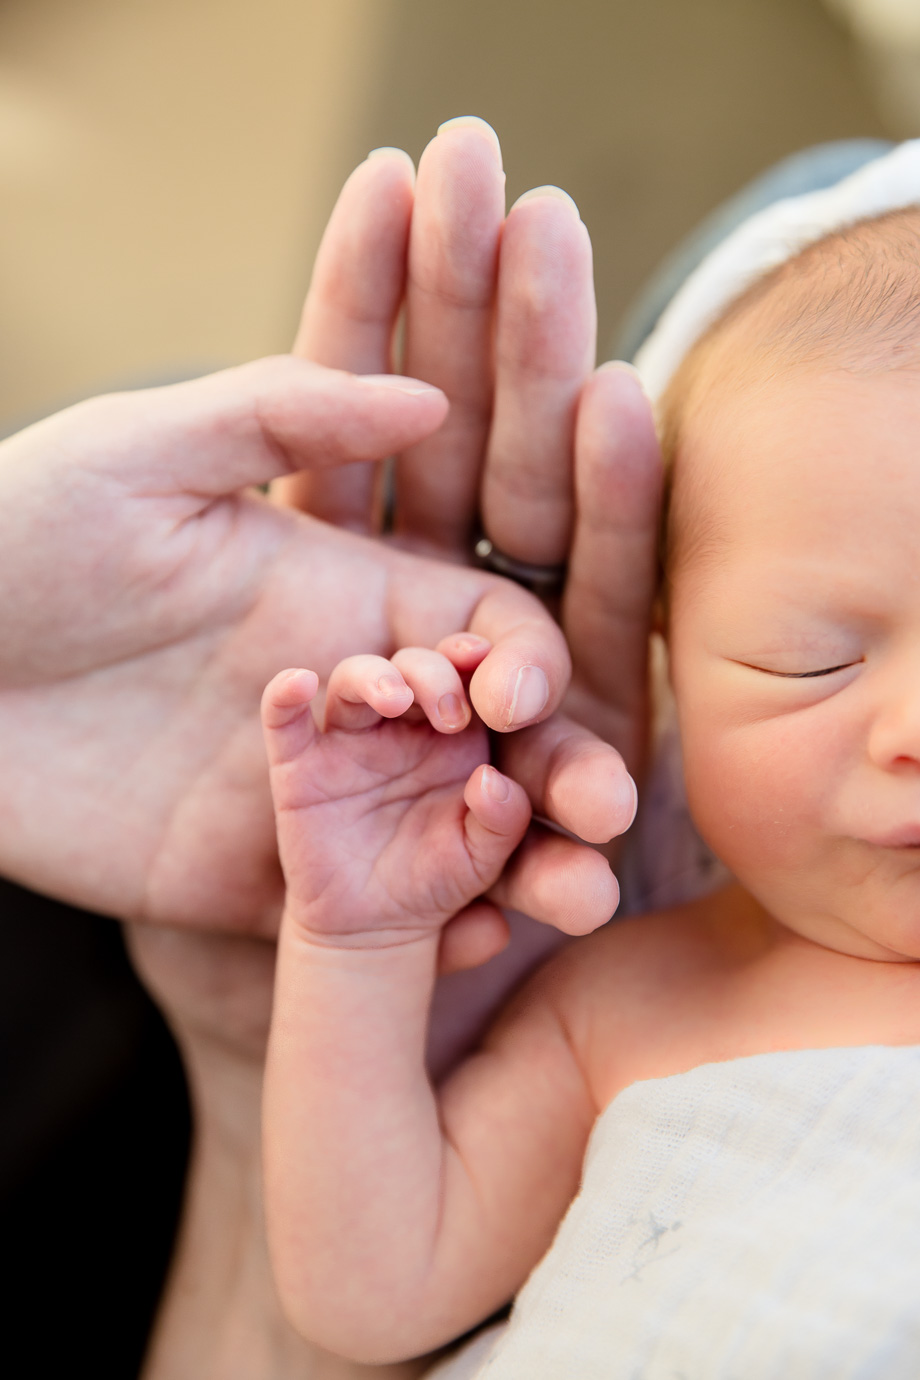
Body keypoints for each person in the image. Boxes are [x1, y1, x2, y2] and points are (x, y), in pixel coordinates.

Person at [255, 142, 920, 1377]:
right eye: (809, 661)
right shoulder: (638, 999)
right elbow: (367, 1291)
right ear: (670, 663)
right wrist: (353, 944)